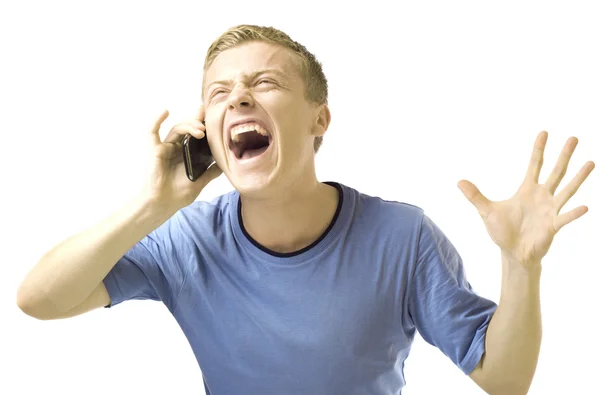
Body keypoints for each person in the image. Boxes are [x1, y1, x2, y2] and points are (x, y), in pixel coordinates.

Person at [16, 24, 595, 395]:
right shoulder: (186, 240)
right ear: (209, 136)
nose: (238, 97)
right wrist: (150, 206)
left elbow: (506, 378)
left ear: (320, 120)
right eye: (219, 93)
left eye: (264, 83)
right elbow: (40, 299)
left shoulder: (402, 237)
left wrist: (523, 265)